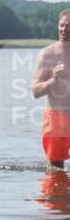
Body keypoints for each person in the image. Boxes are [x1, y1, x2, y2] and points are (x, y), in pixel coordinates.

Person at [32, 9, 70, 170]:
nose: (64, 30)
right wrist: (53, 79)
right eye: (62, 25)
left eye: (68, 26)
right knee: (56, 168)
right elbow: (36, 92)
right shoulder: (46, 54)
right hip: (55, 117)